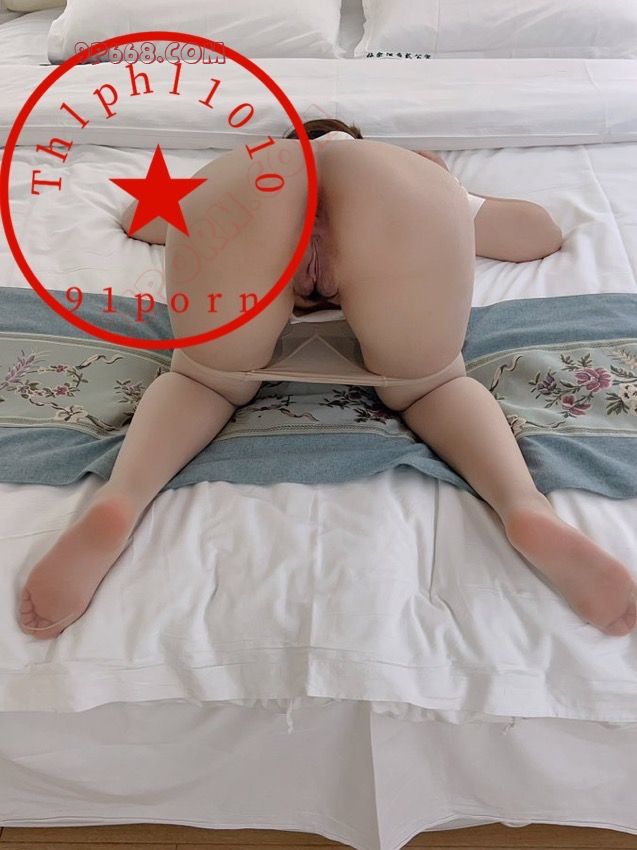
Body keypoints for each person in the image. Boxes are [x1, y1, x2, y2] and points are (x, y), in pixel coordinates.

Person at [18, 119, 637, 641]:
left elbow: (139, 217)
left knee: (206, 376)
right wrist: (450, 193)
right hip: (389, 191)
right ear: (357, 143)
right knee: (430, 383)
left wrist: (221, 192)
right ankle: (523, 507)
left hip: (255, 193)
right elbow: (538, 235)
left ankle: (120, 501)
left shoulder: (262, 168)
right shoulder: (400, 175)